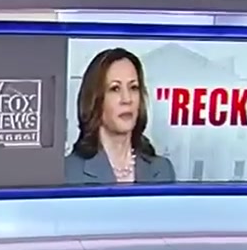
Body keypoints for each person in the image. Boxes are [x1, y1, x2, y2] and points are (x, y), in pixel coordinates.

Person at [64, 48, 176, 185]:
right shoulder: (69, 173)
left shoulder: (162, 170)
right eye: (115, 89)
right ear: (95, 100)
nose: (127, 99)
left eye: (133, 88)